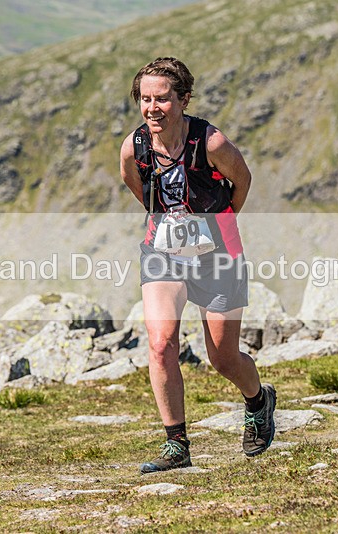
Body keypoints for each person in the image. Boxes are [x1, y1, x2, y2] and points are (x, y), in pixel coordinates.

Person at [119, 57, 276, 474]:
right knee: (161, 341)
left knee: (222, 359)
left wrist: (217, 221)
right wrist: (167, 221)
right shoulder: (133, 147)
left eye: (163, 99)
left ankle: (258, 400)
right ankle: (176, 444)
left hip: (218, 255)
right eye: (145, 99)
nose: (153, 108)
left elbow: (241, 182)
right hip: (163, 253)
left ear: (184, 99)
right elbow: (136, 186)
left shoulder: (212, 143)